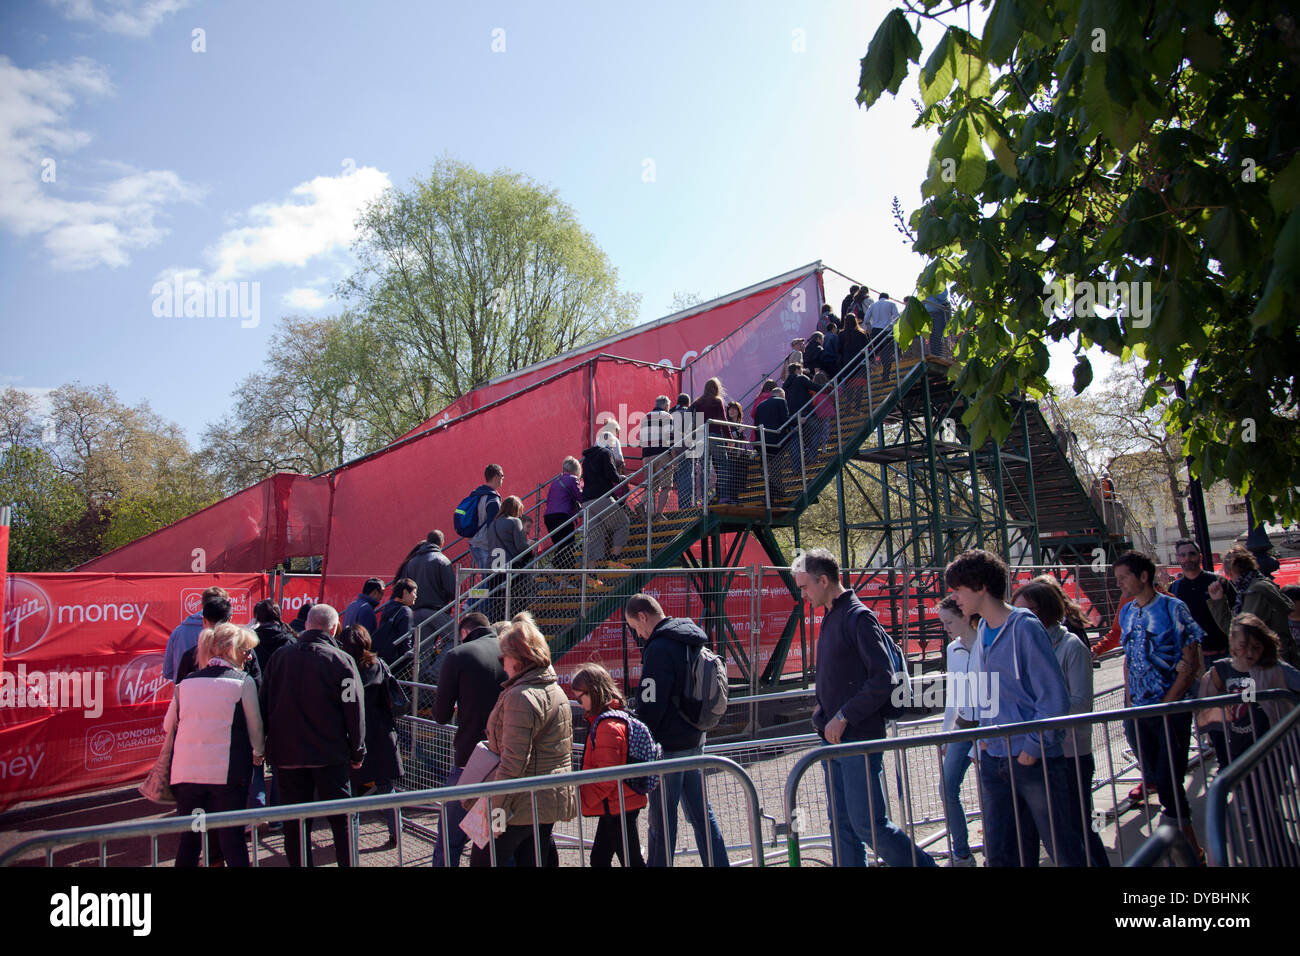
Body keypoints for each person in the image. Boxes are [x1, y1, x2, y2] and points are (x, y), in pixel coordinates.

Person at [795, 549, 936, 867]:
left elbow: (883, 678)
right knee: (843, 826)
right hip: (835, 738)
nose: (803, 594)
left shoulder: (858, 617)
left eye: (805, 587)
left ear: (824, 580)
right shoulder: (833, 615)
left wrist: (844, 716)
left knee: (868, 824)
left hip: (857, 737)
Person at [944, 548, 1085, 867]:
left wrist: (1033, 747)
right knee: (1003, 852)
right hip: (995, 758)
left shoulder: (1023, 626)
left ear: (981, 587)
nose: (956, 599)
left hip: (1031, 760)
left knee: (1063, 847)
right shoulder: (984, 633)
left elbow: (1053, 696)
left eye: (959, 590)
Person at [624, 594, 731, 867]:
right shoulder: (690, 637)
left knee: (662, 820)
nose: (638, 634)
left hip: (668, 745)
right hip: (695, 737)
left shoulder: (659, 647)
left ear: (643, 617)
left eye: (636, 627)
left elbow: (651, 702)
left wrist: (642, 736)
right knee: (701, 814)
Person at [1113, 550, 1205, 859]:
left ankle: (1190, 849)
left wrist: (1168, 702)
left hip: (1169, 711)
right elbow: (1129, 658)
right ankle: (1184, 846)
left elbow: (1189, 660)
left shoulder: (1173, 608)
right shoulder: (1127, 611)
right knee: (1159, 778)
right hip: (1140, 711)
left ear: (1143, 576)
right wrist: (1129, 700)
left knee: (1169, 782)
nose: (1119, 583)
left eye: (1124, 577)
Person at [1012, 581, 1111, 866]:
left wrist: (1043, 704)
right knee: (1048, 831)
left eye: (1024, 611)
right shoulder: (1026, 648)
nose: (1017, 619)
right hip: (1038, 751)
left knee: (1079, 826)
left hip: (1070, 754)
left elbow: (1082, 703)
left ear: (1041, 612)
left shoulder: (1071, 647)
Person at [261, 603, 365, 867]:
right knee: (341, 821)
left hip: (287, 757)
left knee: (295, 825)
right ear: (333, 628)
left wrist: (263, 747)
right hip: (330, 755)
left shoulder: (280, 658)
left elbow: (264, 703)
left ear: (306, 625)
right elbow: (354, 711)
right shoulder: (342, 661)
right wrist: (357, 750)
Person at [470, 613, 577, 866]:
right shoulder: (555, 690)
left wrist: (496, 810)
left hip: (519, 805)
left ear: (518, 659)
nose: (501, 664)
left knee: (482, 860)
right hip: (543, 801)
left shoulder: (521, 696)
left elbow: (514, 761)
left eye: (503, 657)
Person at [166, 622, 265, 867]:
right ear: (232, 650)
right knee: (232, 840)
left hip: (187, 776)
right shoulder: (243, 682)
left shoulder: (185, 684)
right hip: (227, 777)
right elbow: (256, 730)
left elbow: (168, 725)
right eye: (245, 649)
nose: (249, 655)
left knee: (189, 841)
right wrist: (259, 754)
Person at [431, 612, 507, 866]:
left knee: (450, 840)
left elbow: (440, 715)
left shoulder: (458, 655)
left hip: (470, 763)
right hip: (507, 761)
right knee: (495, 840)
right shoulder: (512, 652)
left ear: (464, 632)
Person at [572, 663, 648, 867]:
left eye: (580, 698)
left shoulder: (607, 726)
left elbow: (606, 777)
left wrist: (583, 798)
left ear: (594, 692)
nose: (579, 704)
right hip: (619, 802)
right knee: (602, 858)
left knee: (626, 859)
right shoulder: (613, 719)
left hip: (617, 804)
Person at [338, 624, 405, 846]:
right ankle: (397, 832)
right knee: (386, 787)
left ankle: (351, 843)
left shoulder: (342, 669)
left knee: (352, 795)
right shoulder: (379, 665)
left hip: (353, 736)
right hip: (381, 735)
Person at [937, 596, 979, 866]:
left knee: (991, 792)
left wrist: (979, 743)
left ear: (964, 617)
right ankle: (962, 851)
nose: (945, 627)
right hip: (962, 728)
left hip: (987, 728)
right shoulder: (953, 650)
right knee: (947, 788)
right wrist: (945, 734)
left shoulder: (986, 644)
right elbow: (954, 694)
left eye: (949, 621)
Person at [1208, 546, 1297, 665]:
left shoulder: (1254, 592)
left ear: (1232, 571)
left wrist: (1218, 602)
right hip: (1277, 657)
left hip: (1268, 661)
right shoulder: (1260, 584)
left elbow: (1241, 632)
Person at [1170, 539, 1235, 662]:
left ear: (1200, 556)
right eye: (1183, 555)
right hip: (1193, 658)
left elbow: (1238, 613)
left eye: (1192, 554)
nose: (1187, 558)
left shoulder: (1219, 582)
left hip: (1223, 653)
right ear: (1177, 558)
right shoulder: (1174, 588)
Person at [581, 432, 631, 575]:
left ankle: (591, 572)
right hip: (602, 496)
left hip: (587, 501)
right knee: (622, 523)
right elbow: (612, 476)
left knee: (594, 534)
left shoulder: (587, 458)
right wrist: (623, 477)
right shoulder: (605, 453)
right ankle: (615, 560)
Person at [480, 495, 531, 619]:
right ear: (516, 509)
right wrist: (530, 546)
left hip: (494, 570)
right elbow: (521, 547)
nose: (520, 514)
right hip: (510, 569)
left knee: (499, 606)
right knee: (517, 604)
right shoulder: (514, 522)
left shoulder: (493, 524)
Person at [163, 585, 228, 682]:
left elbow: (168, 671)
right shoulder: (229, 636)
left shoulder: (178, 631)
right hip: (220, 689)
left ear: (202, 603)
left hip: (184, 690)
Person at [398, 531, 457, 624]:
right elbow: (450, 588)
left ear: (427, 541)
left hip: (417, 612)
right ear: (442, 543)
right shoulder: (442, 560)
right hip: (437, 610)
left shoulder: (412, 562)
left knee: (421, 639)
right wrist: (459, 600)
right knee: (455, 636)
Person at [691, 378, 729, 506]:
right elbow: (723, 420)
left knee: (704, 469)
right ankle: (723, 496)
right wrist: (730, 439)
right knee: (723, 466)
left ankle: (703, 498)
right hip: (715, 437)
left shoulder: (697, 402)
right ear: (717, 389)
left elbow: (688, 416)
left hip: (701, 438)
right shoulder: (717, 401)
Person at [544, 457, 583, 573]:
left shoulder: (556, 481)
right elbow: (581, 497)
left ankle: (566, 580)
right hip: (562, 516)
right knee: (567, 545)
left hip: (549, 517)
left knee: (563, 546)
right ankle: (551, 566)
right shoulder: (573, 480)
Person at [639, 395, 675, 514]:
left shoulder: (645, 417)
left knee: (652, 486)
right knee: (666, 486)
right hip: (662, 454)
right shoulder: (667, 416)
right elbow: (670, 438)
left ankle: (641, 504)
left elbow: (641, 439)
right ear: (666, 406)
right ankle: (659, 513)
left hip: (646, 456)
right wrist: (674, 458)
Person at [466, 464, 506, 571]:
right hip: (484, 543)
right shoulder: (493, 499)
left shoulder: (478, 494)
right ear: (496, 477)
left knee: (485, 576)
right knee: (487, 579)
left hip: (475, 541)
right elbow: (493, 526)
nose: (503, 478)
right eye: (502, 475)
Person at [371, 578, 418, 664]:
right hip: (396, 660)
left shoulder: (388, 607)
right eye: (414, 593)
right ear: (405, 592)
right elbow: (406, 639)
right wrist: (409, 660)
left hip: (383, 656)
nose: (416, 596)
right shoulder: (406, 611)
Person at [669, 392, 699, 510]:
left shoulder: (671, 414)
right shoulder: (691, 414)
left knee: (674, 480)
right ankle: (685, 507)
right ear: (688, 403)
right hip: (688, 451)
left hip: (673, 452)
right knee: (686, 481)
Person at [251, 600, 296, 673]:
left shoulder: (251, 640)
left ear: (258, 617)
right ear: (279, 615)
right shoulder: (290, 640)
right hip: (283, 682)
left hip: (260, 682)